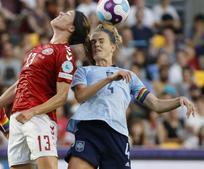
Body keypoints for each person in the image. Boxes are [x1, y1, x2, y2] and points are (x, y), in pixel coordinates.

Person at [65, 23, 196, 169]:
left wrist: (179, 100)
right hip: (89, 130)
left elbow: (156, 105)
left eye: (101, 41)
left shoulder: (129, 76)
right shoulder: (84, 71)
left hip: (117, 135)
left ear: (113, 47)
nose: (96, 44)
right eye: (94, 42)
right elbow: (81, 96)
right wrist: (109, 79)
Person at [0, 10, 90, 169]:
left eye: (67, 14)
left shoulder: (65, 53)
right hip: (17, 117)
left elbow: (62, 97)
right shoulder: (37, 50)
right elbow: (18, 86)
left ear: (71, 29)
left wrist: (33, 112)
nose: (61, 12)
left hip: (39, 118)